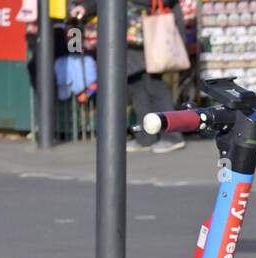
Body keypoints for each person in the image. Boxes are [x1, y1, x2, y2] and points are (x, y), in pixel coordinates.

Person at [71, 0, 187, 153]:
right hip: (132, 34)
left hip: (149, 30)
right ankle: (146, 136)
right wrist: (85, 8)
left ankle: (172, 135)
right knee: (137, 85)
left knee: (153, 84)